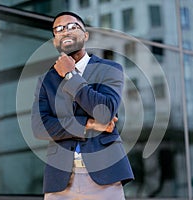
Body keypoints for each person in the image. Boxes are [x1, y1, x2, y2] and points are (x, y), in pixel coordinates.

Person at [31, 11, 134, 200]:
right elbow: (40, 127)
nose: (65, 32)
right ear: (55, 40)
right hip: (60, 179)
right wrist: (88, 124)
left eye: (72, 26)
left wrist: (71, 76)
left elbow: (104, 112)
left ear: (85, 35)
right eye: (59, 30)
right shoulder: (46, 80)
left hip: (106, 175)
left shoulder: (109, 69)